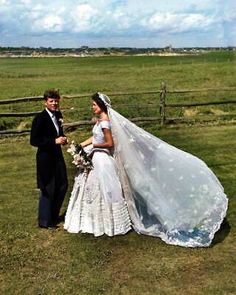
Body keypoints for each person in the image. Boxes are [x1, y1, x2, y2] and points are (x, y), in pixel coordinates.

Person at [64, 93, 228, 247]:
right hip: (97, 155)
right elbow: (95, 136)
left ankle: (109, 220)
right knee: (96, 186)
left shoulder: (106, 121)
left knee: (106, 186)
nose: (92, 107)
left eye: (94, 105)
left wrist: (93, 147)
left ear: (101, 106)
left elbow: (109, 143)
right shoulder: (99, 120)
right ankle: (97, 218)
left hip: (102, 157)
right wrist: (82, 145)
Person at [30, 89, 68, 229]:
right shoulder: (40, 118)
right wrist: (54, 141)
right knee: (48, 188)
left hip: (57, 155)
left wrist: (62, 139)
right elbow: (34, 140)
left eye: (56, 101)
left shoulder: (58, 114)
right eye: (51, 101)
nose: (54, 103)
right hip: (45, 158)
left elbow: (59, 132)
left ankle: (54, 215)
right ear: (45, 102)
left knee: (63, 184)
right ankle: (45, 221)